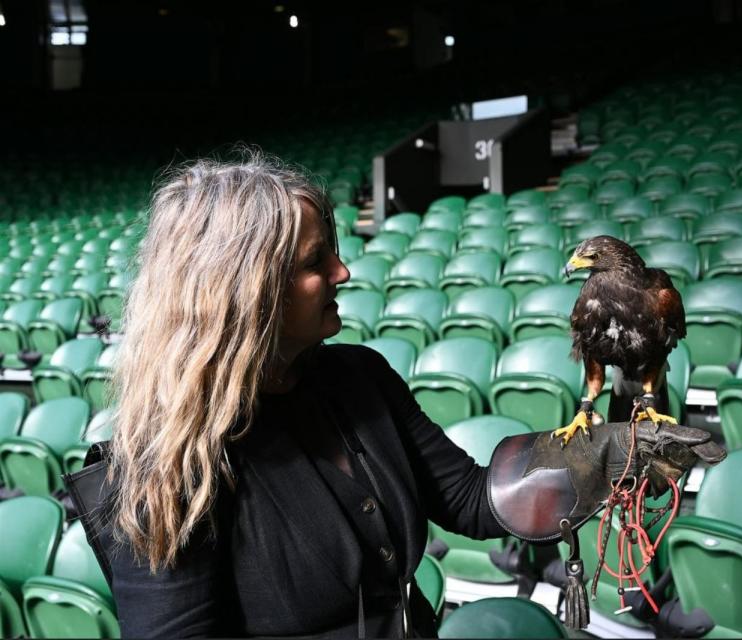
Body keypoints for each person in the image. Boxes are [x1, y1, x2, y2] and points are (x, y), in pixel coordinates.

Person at [101, 152, 507, 638]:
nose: (343, 273)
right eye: (316, 261)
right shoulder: (169, 461)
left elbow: (471, 500)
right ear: (246, 291)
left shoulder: (363, 375)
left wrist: (601, 454)